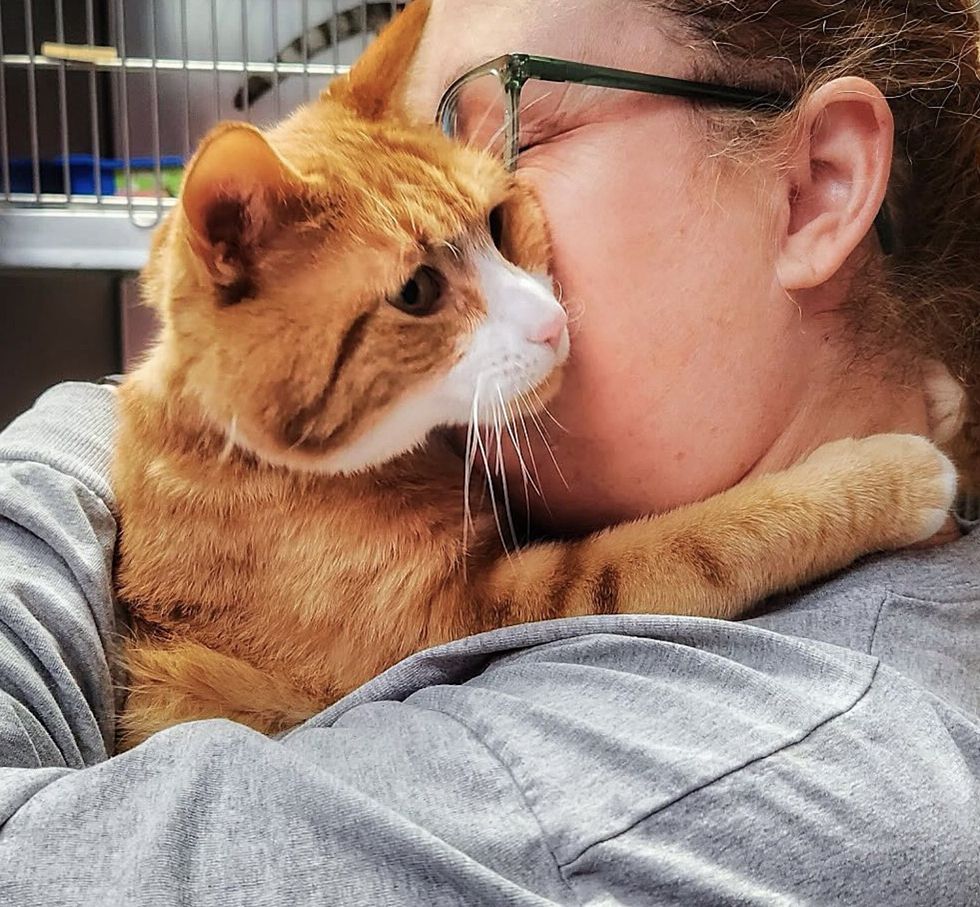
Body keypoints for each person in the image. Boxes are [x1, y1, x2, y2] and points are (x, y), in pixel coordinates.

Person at [1, 0, 978, 903]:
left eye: (514, 128)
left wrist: (116, 434)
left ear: (812, 190)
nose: (538, 312)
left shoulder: (572, 805)